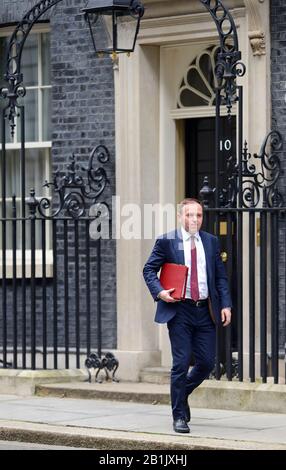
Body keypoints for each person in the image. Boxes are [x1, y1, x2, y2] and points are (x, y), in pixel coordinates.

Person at [143, 198, 232, 434]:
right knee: (181, 363)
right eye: (190, 215)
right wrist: (160, 292)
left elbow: (220, 277)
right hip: (179, 310)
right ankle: (179, 416)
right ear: (180, 216)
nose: (194, 219)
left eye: (199, 215)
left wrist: (226, 305)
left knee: (206, 363)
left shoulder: (211, 242)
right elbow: (149, 269)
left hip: (205, 310)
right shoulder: (167, 241)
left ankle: (181, 395)